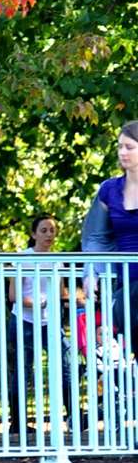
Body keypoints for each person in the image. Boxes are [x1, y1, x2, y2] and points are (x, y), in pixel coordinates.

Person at [7, 214, 72, 437]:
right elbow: (13, 295)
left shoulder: (57, 260)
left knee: (65, 367)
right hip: (24, 321)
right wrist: (37, 303)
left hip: (50, 322)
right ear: (34, 234)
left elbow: (62, 293)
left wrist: (76, 297)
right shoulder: (23, 258)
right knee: (23, 372)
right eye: (43, 230)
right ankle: (17, 423)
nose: (48, 235)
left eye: (52, 230)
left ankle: (73, 417)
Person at [81, 120, 138, 354]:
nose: (122, 152)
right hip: (127, 285)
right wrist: (91, 271)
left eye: (129, 147)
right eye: (120, 146)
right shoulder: (109, 190)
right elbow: (96, 237)